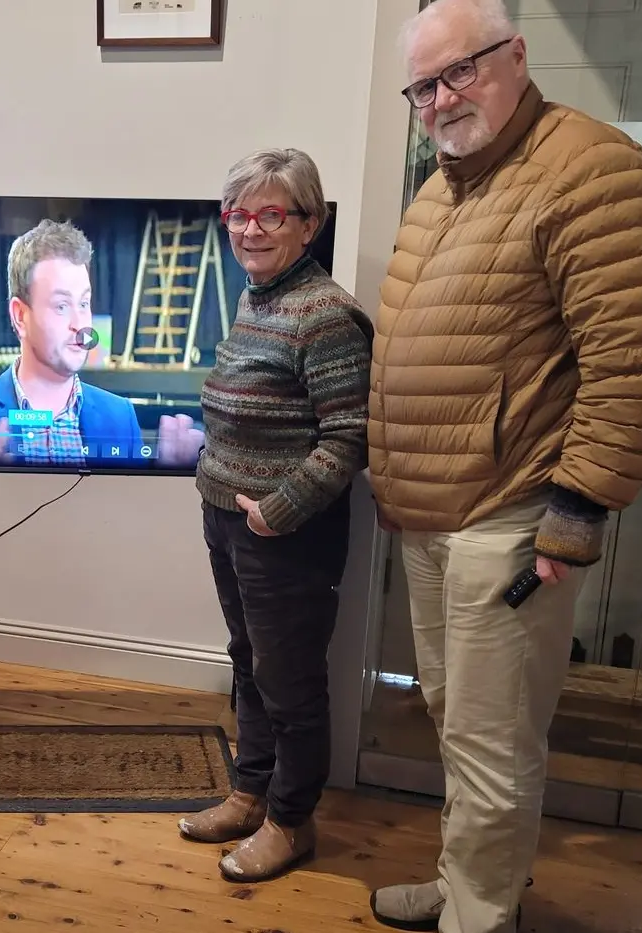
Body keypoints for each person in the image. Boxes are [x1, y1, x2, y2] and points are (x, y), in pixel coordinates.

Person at [367, 1, 642, 930]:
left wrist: (577, 512)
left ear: (515, 55)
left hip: (512, 515)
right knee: (454, 718)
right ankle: (469, 880)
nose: (439, 99)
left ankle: (482, 912)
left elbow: (634, 361)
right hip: (435, 512)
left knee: (493, 737)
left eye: (458, 72)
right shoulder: (444, 186)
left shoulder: (591, 170)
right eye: (423, 85)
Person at [180, 148, 373, 883]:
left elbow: (348, 437)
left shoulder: (323, 313)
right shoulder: (258, 295)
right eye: (239, 214)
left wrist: (276, 512)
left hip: (283, 534)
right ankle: (248, 791)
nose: (251, 230)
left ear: (309, 223)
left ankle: (291, 822)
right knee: (249, 664)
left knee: (289, 682)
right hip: (228, 517)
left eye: (271, 215)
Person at [0, 219, 145, 466]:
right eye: (62, 306)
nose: (80, 325)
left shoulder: (121, 417)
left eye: (84, 304)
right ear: (20, 316)